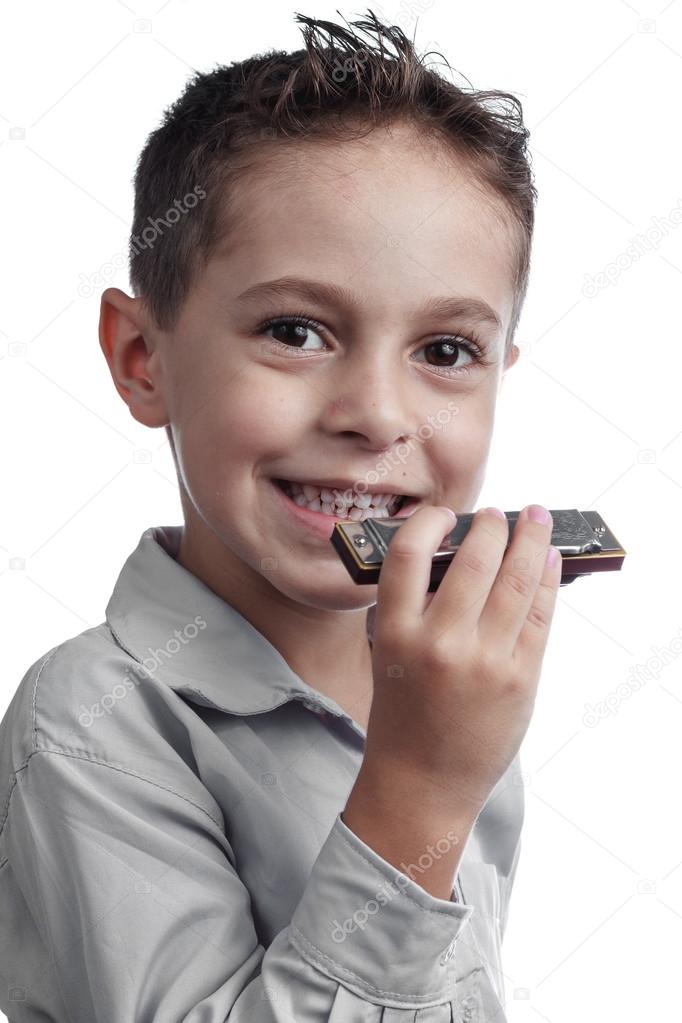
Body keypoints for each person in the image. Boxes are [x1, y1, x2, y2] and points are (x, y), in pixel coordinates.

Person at [0, 9, 562, 1021]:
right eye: (295, 331)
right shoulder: (91, 726)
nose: (377, 415)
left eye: (444, 352)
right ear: (143, 358)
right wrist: (419, 797)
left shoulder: (451, 692)